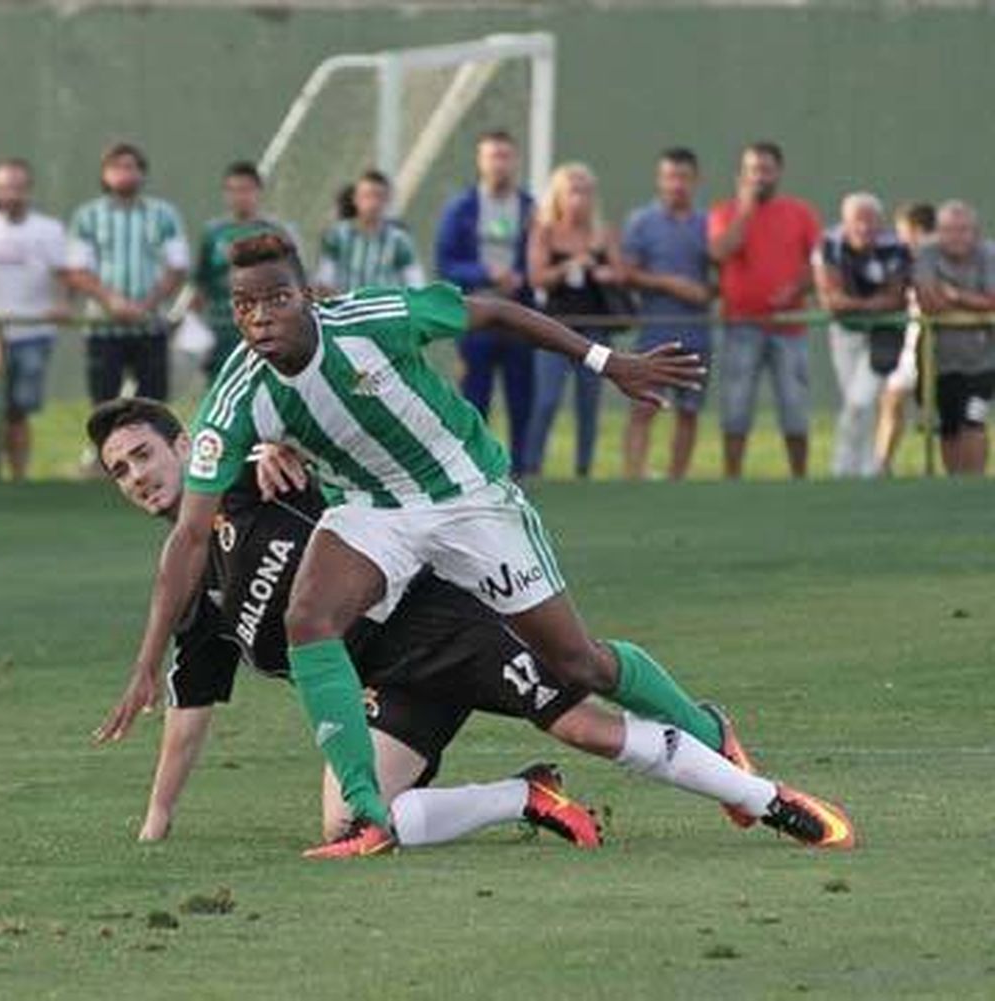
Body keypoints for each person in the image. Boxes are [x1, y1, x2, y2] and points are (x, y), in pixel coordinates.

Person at [100, 231, 855, 858]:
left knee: (579, 664)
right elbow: (190, 537)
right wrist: (143, 666)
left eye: (275, 298)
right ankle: (369, 815)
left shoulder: (373, 318)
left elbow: (492, 312)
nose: (259, 317)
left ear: (309, 296)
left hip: (468, 496)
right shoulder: (236, 397)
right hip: (375, 514)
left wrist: (606, 363)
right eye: (243, 306)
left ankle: (706, 729)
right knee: (310, 619)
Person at [708, 142, 822, 479]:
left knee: (794, 406)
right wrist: (745, 211)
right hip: (740, 324)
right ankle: (732, 478)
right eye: (753, 169)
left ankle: (799, 477)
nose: (760, 176)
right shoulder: (725, 212)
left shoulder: (800, 212)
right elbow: (719, 252)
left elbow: (817, 264)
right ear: (741, 175)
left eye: (766, 169)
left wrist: (796, 288)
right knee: (736, 405)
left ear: (778, 172)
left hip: (790, 326)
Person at [0, 158, 67, 481]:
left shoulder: (49, 229)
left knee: (19, 409)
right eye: (5, 187)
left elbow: (65, 274)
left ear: (28, 190)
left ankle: (18, 477)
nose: (12, 194)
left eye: (18, 187)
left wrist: (61, 304)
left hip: (33, 331)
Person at [435, 131, 536, 476]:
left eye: (505, 155)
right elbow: (446, 262)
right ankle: (476, 471)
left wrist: (521, 275)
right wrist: (485, 271)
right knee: (475, 397)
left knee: (521, 397)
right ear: (480, 161)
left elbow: (539, 256)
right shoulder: (461, 208)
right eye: (493, 156)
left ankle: (522, 470)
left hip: (519, 317)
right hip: (476, 317)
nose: (499, 163)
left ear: (516, 160)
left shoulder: (529, 207)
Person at [64, 142, 188, 404]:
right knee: (104, 407)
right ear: (104, 175)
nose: (123, 173)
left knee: (153, 407)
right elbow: (76, 270)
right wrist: (112, 302)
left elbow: (178, 267)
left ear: (142, 173)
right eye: (115, 167)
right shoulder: (87, 216)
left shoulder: (164, 214)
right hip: (103, 328)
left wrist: (144, 306)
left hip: (151, 325)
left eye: (130, 166)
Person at [523, 163, 626, 478]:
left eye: (584, 191)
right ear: (559, 195)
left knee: (588, 402)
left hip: (595, 330)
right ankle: (532, 468)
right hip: (554, 329)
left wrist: (606, 272)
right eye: (572, 191)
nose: (578, 199)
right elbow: (537, 278)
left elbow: (621, 273)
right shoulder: (544, 232)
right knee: (546, 400)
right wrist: (570, 266)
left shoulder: (602, 233)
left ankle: (584, 469)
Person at [621, 148, 713, 480]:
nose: (677, 185)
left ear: (696, 180)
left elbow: (719, 273)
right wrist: (670, 283)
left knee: (689, 411)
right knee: (644, 407)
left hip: (698, 332)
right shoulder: (641, 222)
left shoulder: (708, 223)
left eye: (684, 177)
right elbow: (626, 272)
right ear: (660, 180)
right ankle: (633, 477)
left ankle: (677, 479)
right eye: (670, 177)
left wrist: (709, 291)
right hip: (654, 332)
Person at [813, 193, 910, 478]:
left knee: (862, 399)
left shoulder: (893, 246)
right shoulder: (829, 244)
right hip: (845, 332)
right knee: (854, 402)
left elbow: (895, 299)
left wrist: (857, 305)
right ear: (845, 222)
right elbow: (831, 300)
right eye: (858, 220)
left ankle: (845, 467)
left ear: (880, 222)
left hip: (884, 333)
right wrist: (871, 305)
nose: (864, 227)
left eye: (870, 220)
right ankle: (865, 467)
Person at [914, 200, 995, 476]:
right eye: (948, 230)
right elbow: (928, 302)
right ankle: (955, 484)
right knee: (948, 426)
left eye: (963, 230)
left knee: (973, 421)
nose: (956, 237)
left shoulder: (988, 254)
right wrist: (972, 301)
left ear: (975, 232)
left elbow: (992, 301)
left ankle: (975, 481)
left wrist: (955, 295)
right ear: (938, 232)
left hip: (984, 360)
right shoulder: (927, 254)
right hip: (941, 360)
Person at [191, 162, 287, 380]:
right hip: (221, 326)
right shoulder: (213, 233)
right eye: (233, 190)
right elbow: (200, 282)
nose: (239, 196)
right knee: (220, 387)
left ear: (258, 192)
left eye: (245, 189)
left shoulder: (274, 232)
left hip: (263, 325)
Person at [876, 202, 937, 474]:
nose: (900, 237)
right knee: (892, 397)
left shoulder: (934, 254)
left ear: (915, 229)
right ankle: (883, 465)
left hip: (937, 339)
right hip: (915, 338)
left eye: (902, 230)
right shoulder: (909, 257)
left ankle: (942, 469)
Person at [314, 170, 423, 294]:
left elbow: (415, 284)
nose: (373, 203)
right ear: (355, 199)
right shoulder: (337, 236)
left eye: (379, 197)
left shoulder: (399, 240)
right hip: (346, 308)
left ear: (388, 200)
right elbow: (324, 281)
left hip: (385, 309)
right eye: (367, 196)